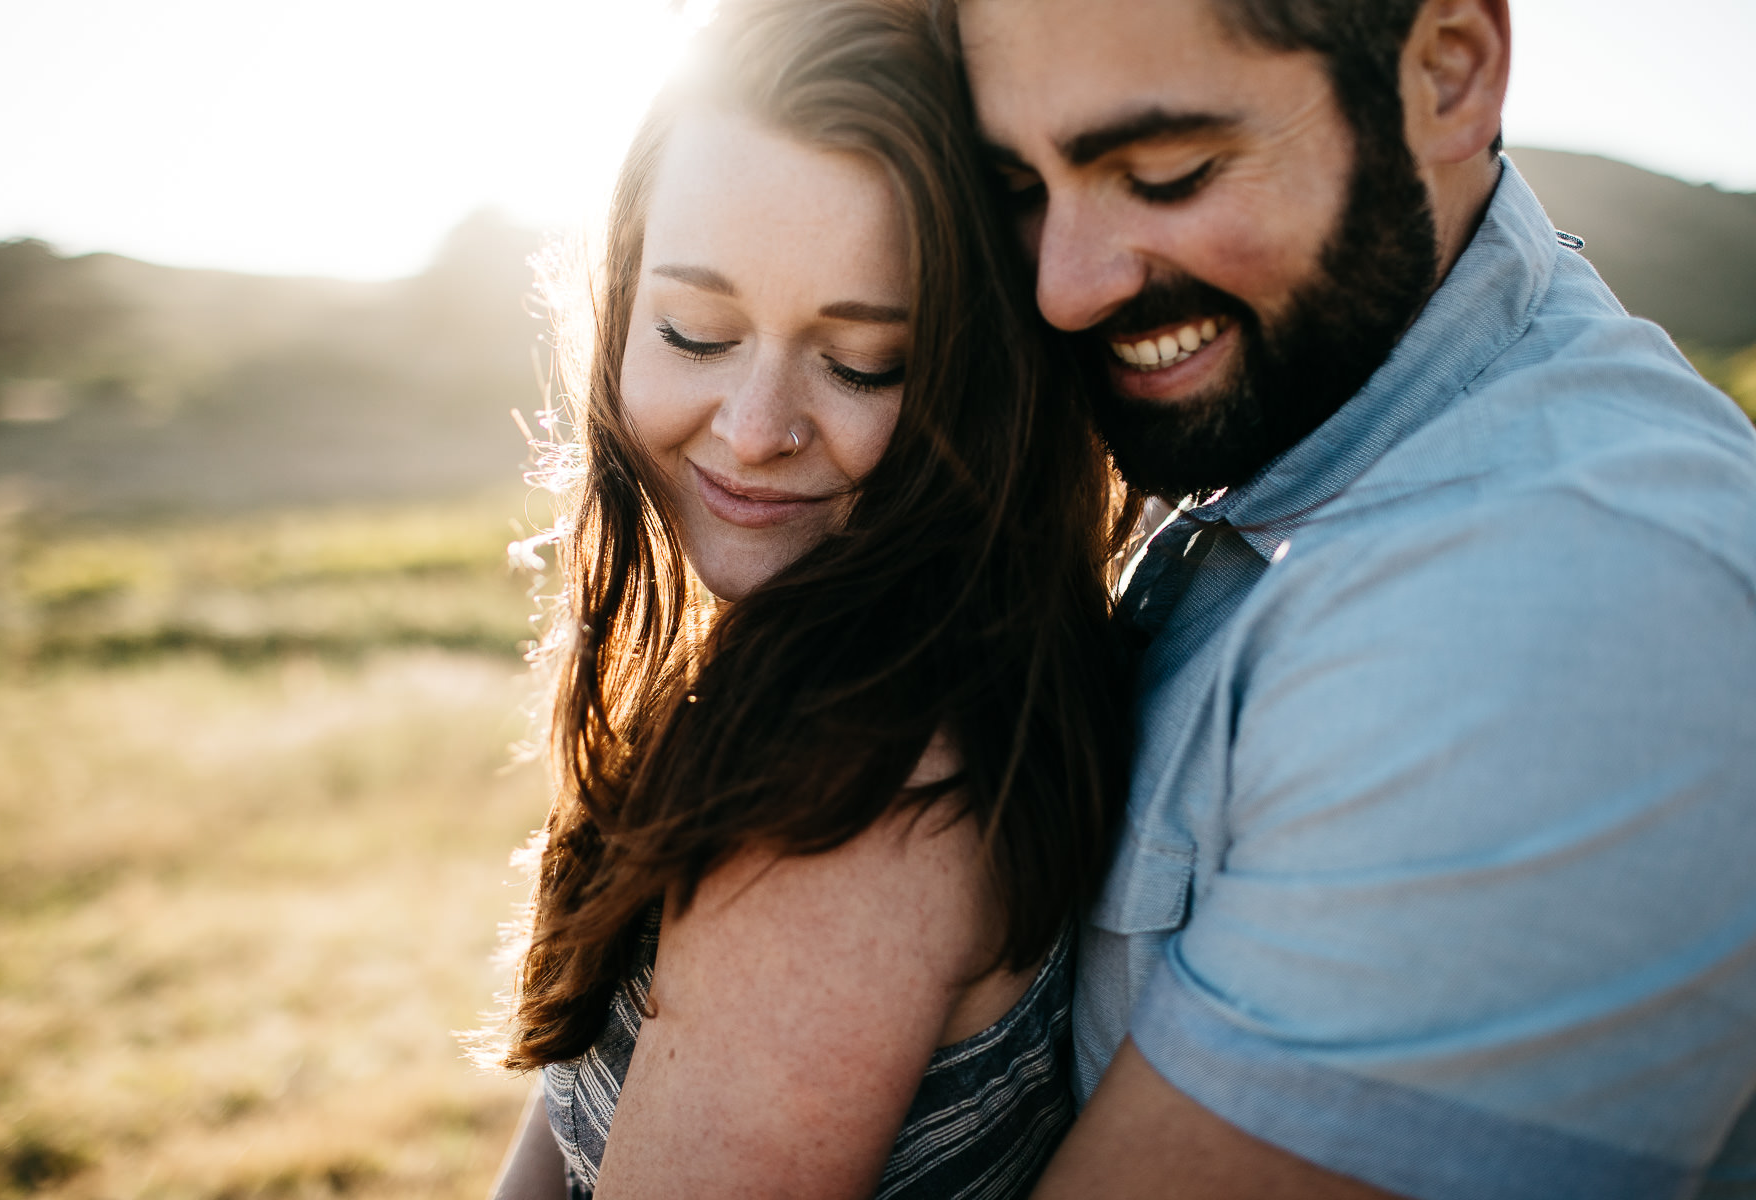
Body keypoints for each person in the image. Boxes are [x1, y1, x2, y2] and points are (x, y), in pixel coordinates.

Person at [940, 0, 1756, 1197]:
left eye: (1166, 172)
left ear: (1448, 74)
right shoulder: (1289, 426)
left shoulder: (1558, 605)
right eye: (1018, 185)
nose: (1065, 287)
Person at [485, 1, 1137, 1197]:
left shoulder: (853, 779)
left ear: (980, 380)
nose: (754, 431)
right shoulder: (814, 659)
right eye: (693, 332)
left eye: (860, 363)